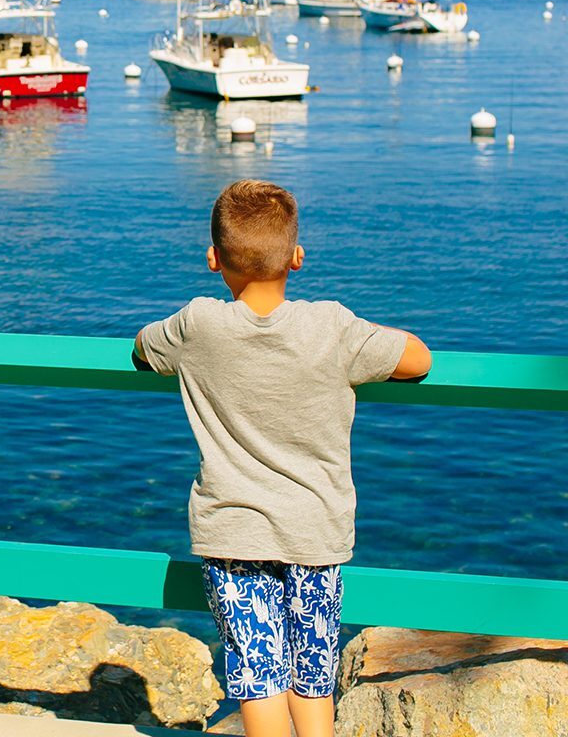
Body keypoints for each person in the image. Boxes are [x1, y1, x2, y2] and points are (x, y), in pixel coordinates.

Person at [133, 179, 431, 737]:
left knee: (256, 674)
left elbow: (143, 349)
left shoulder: (196, 324)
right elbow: (417, 360)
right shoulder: (332, 326)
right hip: (315, 530)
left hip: (233, 530)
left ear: (213, 258)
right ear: (297, 257)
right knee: (313, 675)